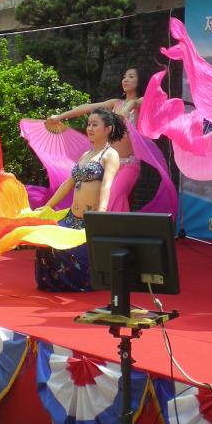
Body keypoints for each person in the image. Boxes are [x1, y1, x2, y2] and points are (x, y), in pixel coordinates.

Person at [39, 66, 177, 215]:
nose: (126, 79)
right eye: (124, 76)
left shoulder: (142, 102)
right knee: (96, 198)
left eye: (131, 76)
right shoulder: (115, 103)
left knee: (114, 196)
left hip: (129, 165)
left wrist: (128, 107)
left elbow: (136, 103)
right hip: (107, 164)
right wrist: (60, 117)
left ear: (140, 81)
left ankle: (114, 232)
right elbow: (88, 108)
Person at [36, 108, 124, 291]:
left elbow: (107, 185)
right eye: (88, 124)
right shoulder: (86, 155)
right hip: (71, 217)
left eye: (95, 124)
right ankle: (56, 285)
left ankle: (77, 285)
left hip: (88, 219)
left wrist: (101, 212)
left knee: (76, 256)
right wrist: (47, 207)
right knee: (46, 243)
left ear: (108, 129)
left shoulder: (110, 155)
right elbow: (67, 184)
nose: (90, 128)